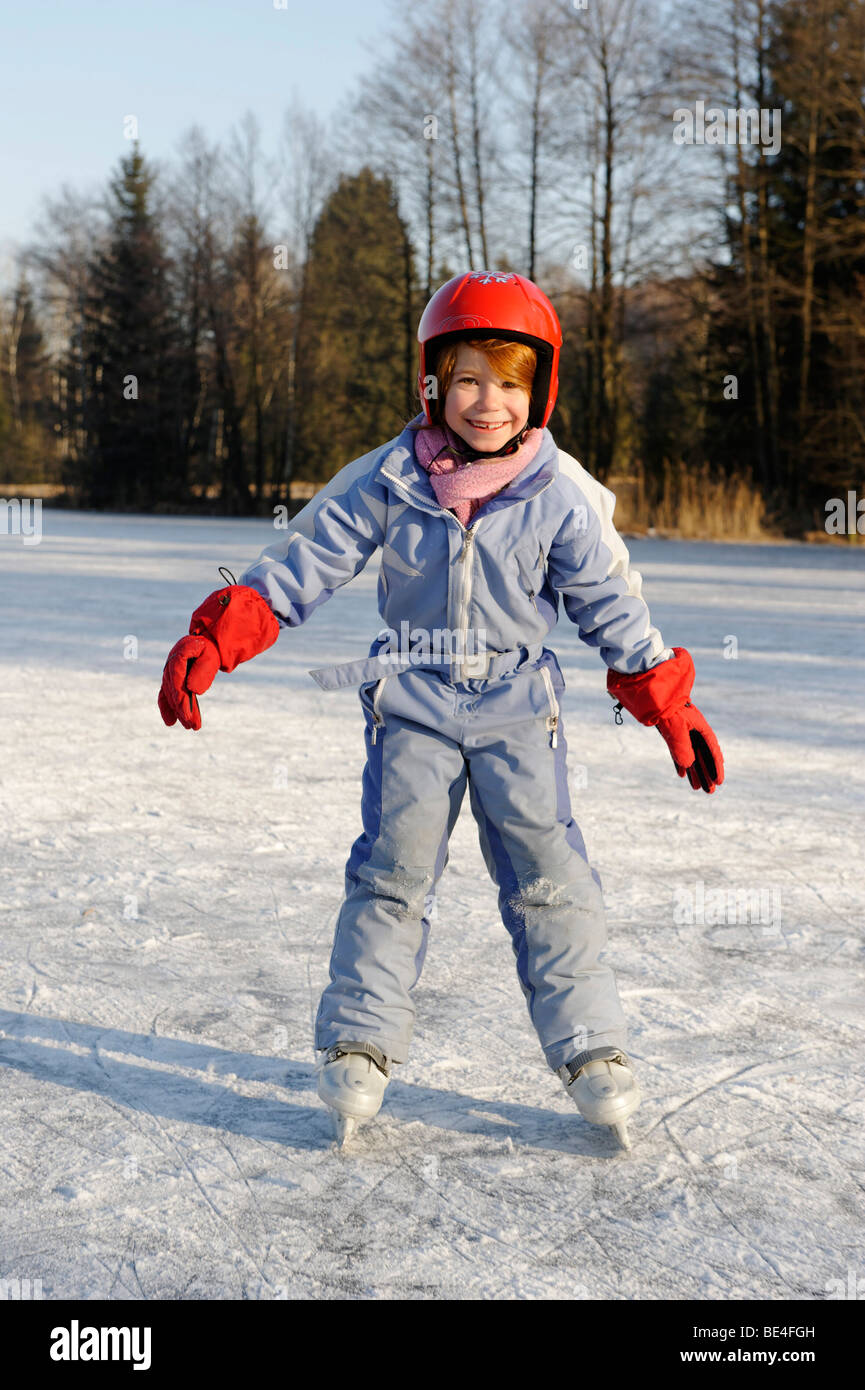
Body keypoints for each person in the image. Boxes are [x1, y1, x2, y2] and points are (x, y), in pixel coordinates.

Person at [158, 270, 724, 1151]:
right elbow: (300, 564)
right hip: (412, 705)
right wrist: (216, 638)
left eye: (508, 382)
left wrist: (666, 703)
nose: (486, 402)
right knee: (392, 871)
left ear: (538, 390)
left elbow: (610, 603)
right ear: (431, 382)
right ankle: (361, 1039)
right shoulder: (388, 476)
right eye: (466, 379)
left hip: (516, 710)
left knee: (548, 876)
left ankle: (591, 1049)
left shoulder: (557, 489)